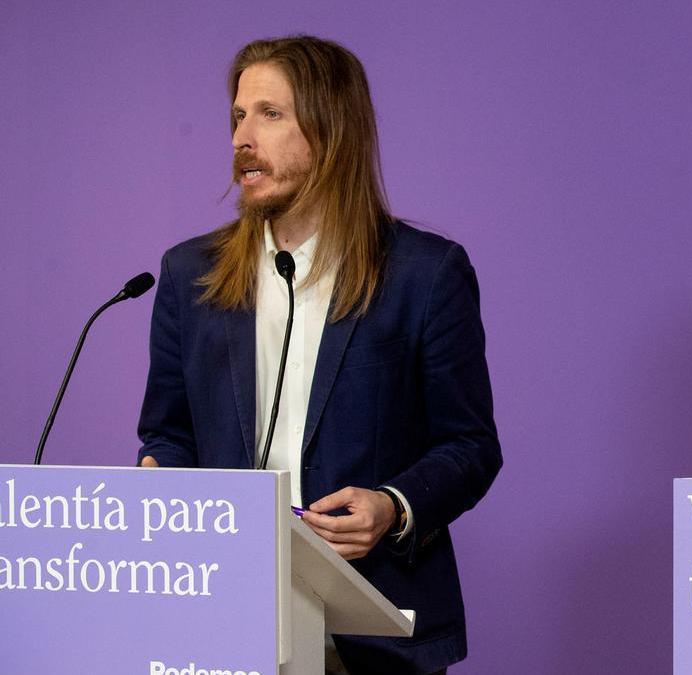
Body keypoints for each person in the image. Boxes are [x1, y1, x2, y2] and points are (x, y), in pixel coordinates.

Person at [136, 36, 502, 674]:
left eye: (269, 114)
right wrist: (159, 473)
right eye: (237, 116)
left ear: (331, 131)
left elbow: (469, 446)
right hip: (225, 622)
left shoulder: (425, 273)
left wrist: (392, 504)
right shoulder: (188, 273)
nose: (240, 138)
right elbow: (169, 432)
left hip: (374, 632)